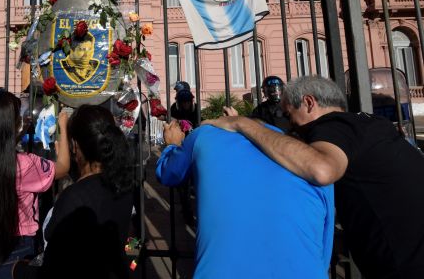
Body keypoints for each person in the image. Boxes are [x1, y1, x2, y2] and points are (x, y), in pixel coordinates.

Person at [208, 76, 424, 278]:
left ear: (309, 103)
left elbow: (321, 169)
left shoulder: (333, 127)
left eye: (288, 114)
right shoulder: (367, 124)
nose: (288, 123)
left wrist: (243, 124)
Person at [156, 118, 334, 278]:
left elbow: (167, 173)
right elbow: (324, 250)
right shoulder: (313, 163)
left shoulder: (204, 135)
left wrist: (173, 144)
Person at [0, 91, 70, 279]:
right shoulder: (24, 164)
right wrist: (64, 128)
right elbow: (63, 167)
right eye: (18, 118)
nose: (22, 121)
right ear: (11, 127)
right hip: (15, 248)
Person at [13, 105, 135, 279]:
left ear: (75, 146)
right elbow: (134, 240)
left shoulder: (74, 198)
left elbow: (54, 267)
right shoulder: (125, 186)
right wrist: (129, 268)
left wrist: (19, 271)